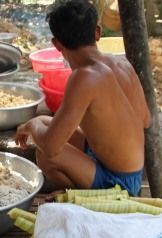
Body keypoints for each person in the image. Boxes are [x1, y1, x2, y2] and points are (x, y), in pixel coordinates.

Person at [15, 0, 151, 196]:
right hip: (129, 170)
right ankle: (83, 185)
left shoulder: (83, 77)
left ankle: (82, 196)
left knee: (45, 152)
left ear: (57, 44)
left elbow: (51, 147)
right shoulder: (121, 63)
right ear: (97, 32)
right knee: (46, 123)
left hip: (119, 185)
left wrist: (31, 124)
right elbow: (146, 120)